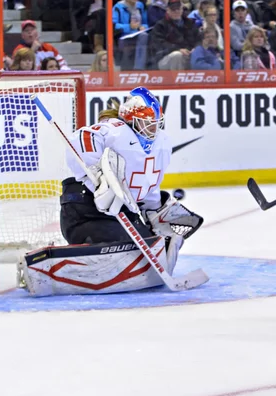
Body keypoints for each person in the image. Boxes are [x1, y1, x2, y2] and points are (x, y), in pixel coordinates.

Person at [19, 88, 203, 296]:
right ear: (131, 119)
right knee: (131, 249)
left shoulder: (161, 144)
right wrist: (98, 176)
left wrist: (155, 210)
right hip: (84, 209)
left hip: (120, 214)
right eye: (146, 122)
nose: (152, 128)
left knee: (148, 249)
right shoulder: (116, 130)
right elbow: (81, 138)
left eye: (155, 122)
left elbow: (149, 188)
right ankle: (46, 267)